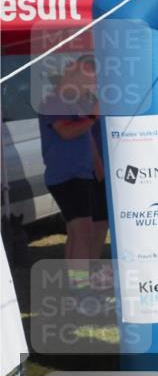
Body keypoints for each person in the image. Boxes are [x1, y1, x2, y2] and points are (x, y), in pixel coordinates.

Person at [38, 57, 108, 260]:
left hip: (82, 174)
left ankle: (81, 276)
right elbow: (66, 132)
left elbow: (88, 140)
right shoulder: (53, 102)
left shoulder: (76, 102)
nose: (90, 86)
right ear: (70, 75)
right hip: (67, 176)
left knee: (82, 232)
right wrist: (93, 117)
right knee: (82, 233)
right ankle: (81, 279)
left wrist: (99, 171)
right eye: (87, 80)